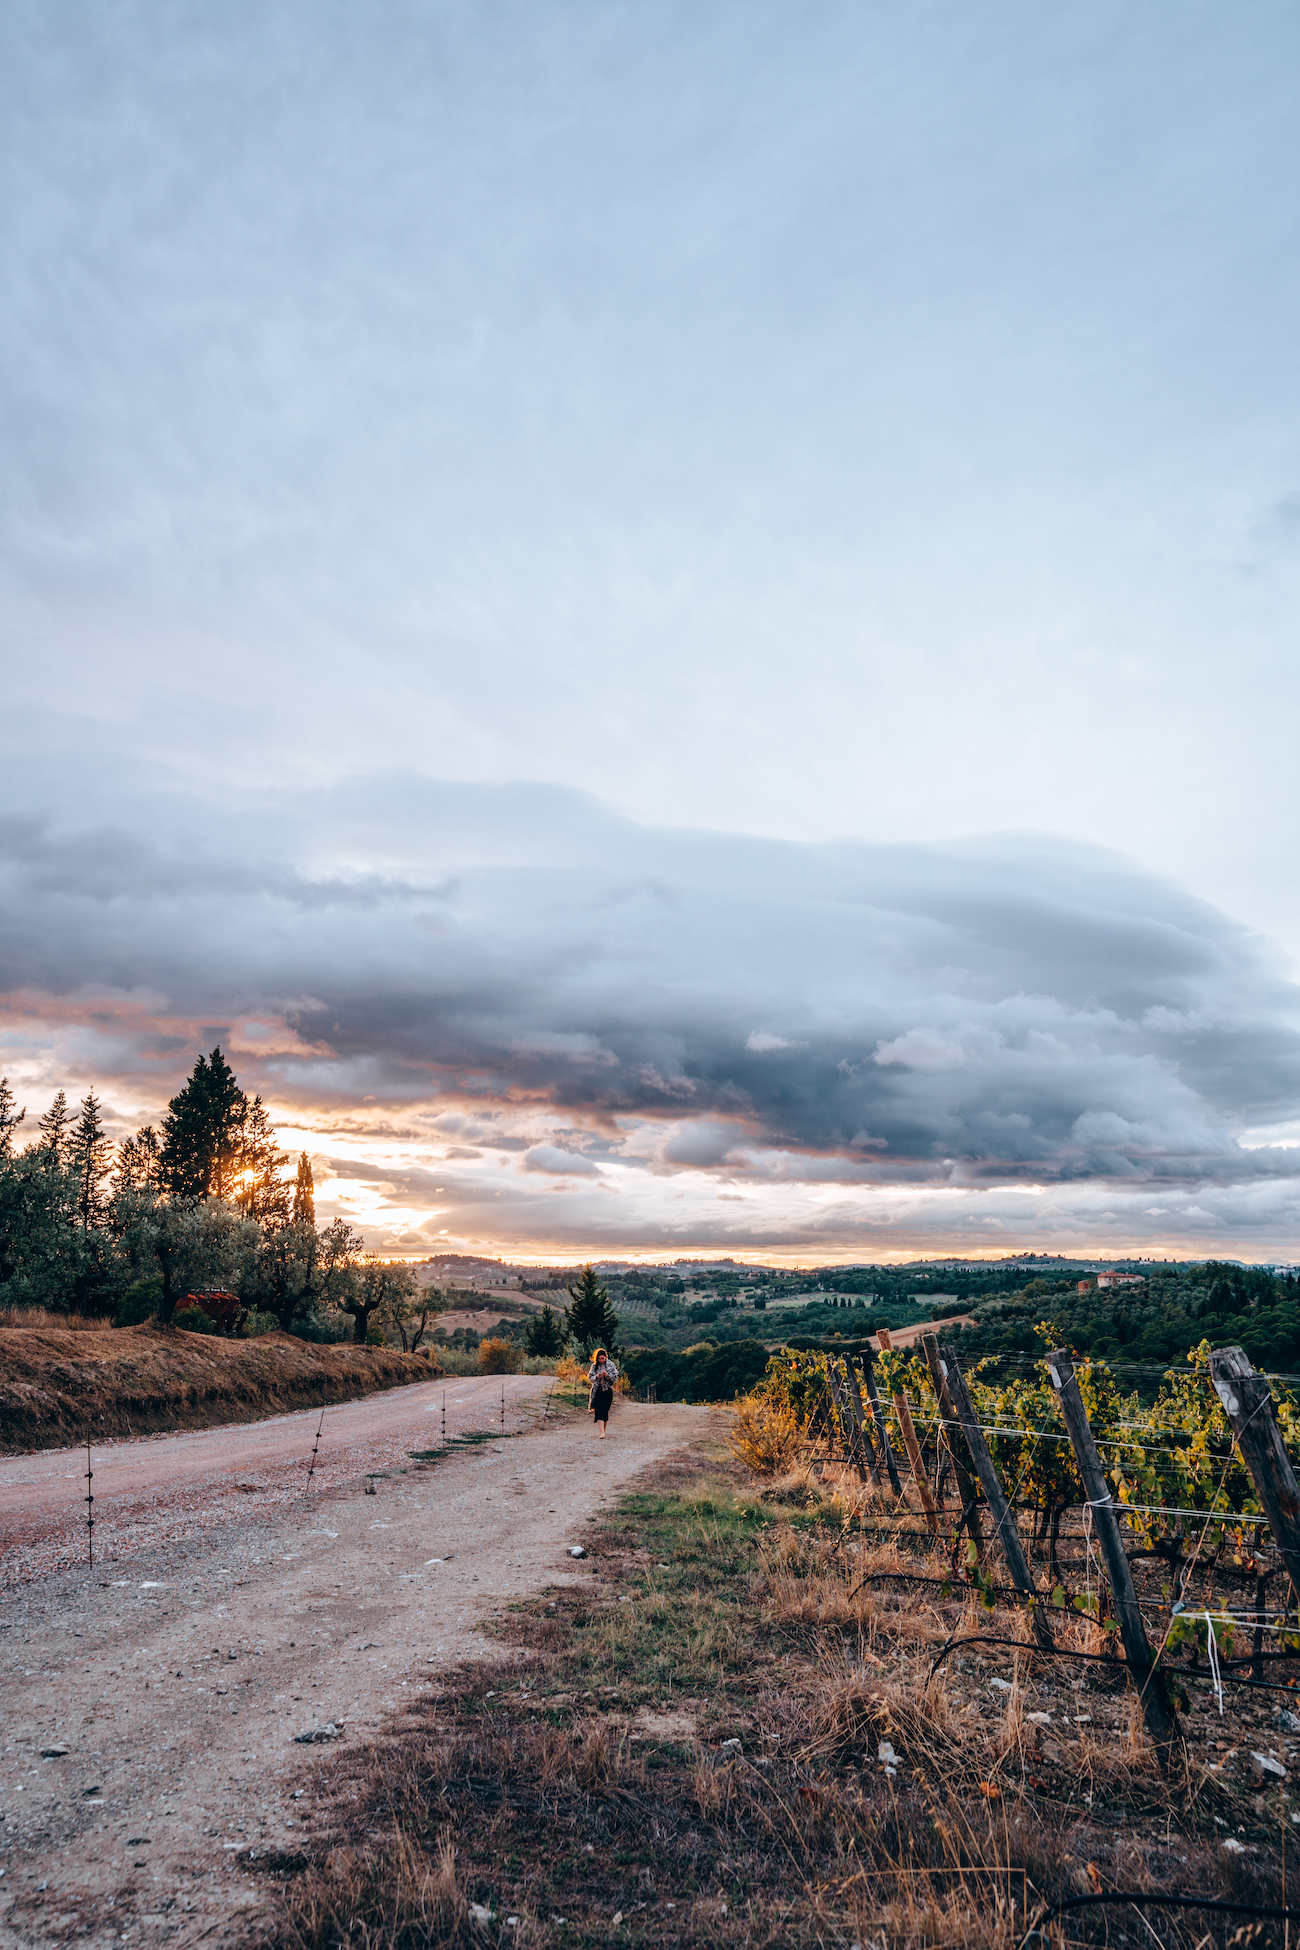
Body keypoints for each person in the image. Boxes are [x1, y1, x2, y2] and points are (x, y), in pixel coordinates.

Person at [587, 1347, 618, 1438]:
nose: (601, 1360)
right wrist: (597, 1376)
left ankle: (603, 1431)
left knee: (605, 1411)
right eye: (599, 1358)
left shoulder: (611, 1365)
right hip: (597, 1390)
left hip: (607, 1390)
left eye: (602, 1358)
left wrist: (607, 1376)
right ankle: (602, 1432)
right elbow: (590, 1377)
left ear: (605, 1357)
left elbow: (615, 1377)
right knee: (598, 1410)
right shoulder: (594, 1366)